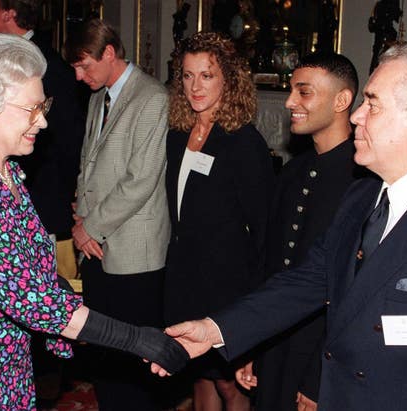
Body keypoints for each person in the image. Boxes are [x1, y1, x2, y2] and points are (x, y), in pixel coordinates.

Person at [159, 42, 407, 410]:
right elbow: (307, 281)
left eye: (372, 103)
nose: (356, 116)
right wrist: (217, 329)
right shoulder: (362, 196)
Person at [0, 33, 188, 410]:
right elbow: (31, 299)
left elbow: (32, 271)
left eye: (43, 105)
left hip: (0, 363)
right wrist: (138, 339)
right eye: (31, 109)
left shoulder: (7, 172)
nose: (43, 121)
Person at [235, 53, 367, 411]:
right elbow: (268, 265)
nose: (290, 101)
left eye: (303, 92)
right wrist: (250, 342)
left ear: (342, 101)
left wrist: (319, 376)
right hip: (275, 341)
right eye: (292, 90)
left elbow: (356, 293)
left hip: (322, 353)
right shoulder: (294, 171)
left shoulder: (365, 181)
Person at [66, 19, 171, 410]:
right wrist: (81, 217)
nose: (79, 76)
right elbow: (88, 164)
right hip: (95, 245)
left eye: (84, 66)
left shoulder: (152, 98)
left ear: (109, 54)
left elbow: (140, 180)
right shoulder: (99, 95)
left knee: (135, 363)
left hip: (134, 252)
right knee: (104, 354)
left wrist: (88, 226)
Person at [165, 31, 273, 411]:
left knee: (231, 385)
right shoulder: (178, 134)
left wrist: (256, 304)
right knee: (199, 378)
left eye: (206, 75)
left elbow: (264, 231)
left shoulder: (243, 142)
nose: (195, 86)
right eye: (188, 75)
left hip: (227, 285)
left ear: (228, 79)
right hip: (185, 277)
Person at [0, 0, 86, 279]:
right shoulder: (5, 60)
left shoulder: (49, 66)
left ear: (9, 13)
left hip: (43, 211)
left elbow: (66, 144)